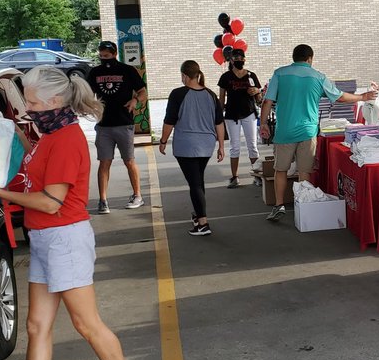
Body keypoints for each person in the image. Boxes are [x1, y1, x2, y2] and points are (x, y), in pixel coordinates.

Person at [0, 66, 148, 360]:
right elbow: (34, 170)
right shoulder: (47, 134)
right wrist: (13, 138)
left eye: (33, 103)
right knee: (37, 327)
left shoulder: (67, 139)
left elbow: (51, 203)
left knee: (86, 324)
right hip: (45, 240)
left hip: (64, 238)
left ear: (55, 102)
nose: (28, 109)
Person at [260, 44, 377, 223]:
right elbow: (339, 97)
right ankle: (304, 206)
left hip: (284, 131)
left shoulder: (279, 73)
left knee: (280, 169)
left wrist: (263, 123)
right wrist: (362, 97)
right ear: (310, 59)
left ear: (294, 58)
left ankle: (279, 205)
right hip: (307, 131)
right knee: (304, 171)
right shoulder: (318, 76)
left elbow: (268, 101)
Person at [159, 60, 225, 235]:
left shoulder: (178, 94)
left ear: (184, 76)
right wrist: (221, 146)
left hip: (186, 146)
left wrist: (163, 140)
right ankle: (198, 215)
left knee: (194, 183)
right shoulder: (211, 95)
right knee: (198, 180)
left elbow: (169, 120)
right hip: (206, 146)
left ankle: (203, 223)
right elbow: (219, 122)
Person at [87, 40, 148, 213]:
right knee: (104, 162)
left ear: (114, 54)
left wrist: (135, 100)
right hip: (103, 125)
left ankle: (137, 195)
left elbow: (142, 92)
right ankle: (103, 201)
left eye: (106, 56)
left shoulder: (127, 70)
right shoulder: (95, 72)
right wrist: (89, 105)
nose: (103, 59)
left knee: (129, 160)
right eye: (101, 56)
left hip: (124, 123)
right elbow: (86, 93)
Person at [217, 51, 262, 187]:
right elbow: (221, 97)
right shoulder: (226, 77)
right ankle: (234, 177)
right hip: (231, 114)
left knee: (252, 146)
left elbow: (259, 98)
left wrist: (257, 91)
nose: (239, 60)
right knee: (234, 146)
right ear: (231, 60)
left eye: (241, 58)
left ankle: (257, 176)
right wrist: (219, 114)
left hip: (249, 113)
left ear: (245, 59)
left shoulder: (251, 75)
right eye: (236, 58)